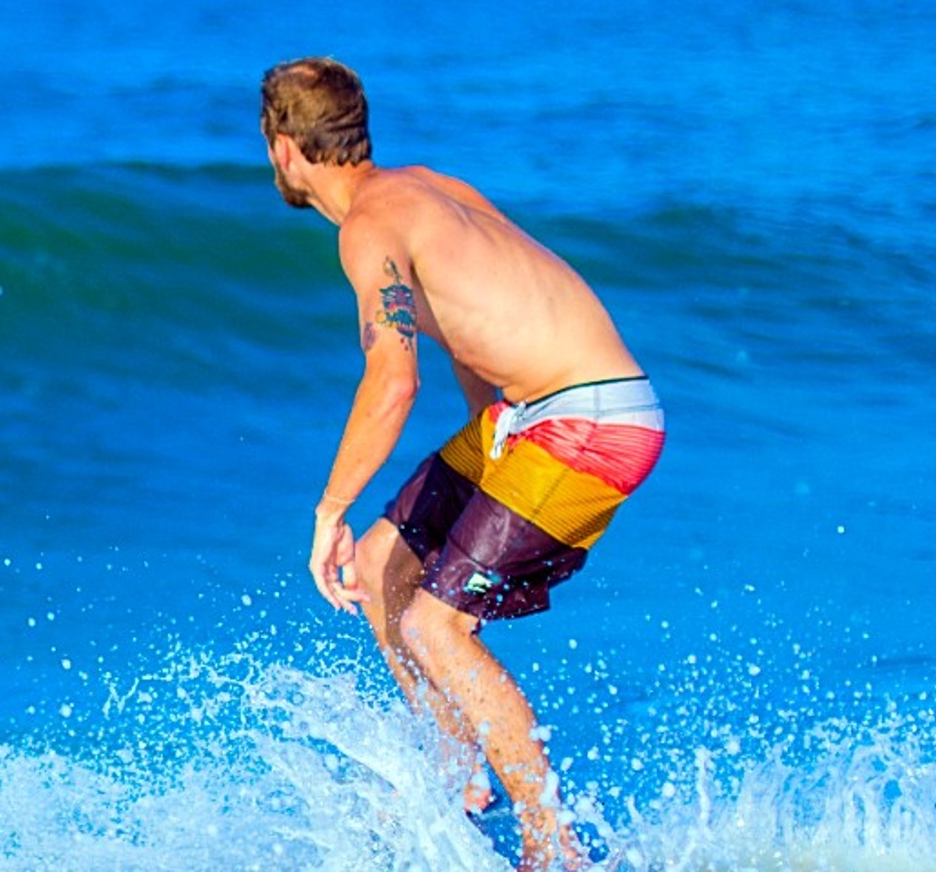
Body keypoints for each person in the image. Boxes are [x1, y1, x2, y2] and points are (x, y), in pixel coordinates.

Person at [259, 57, 665, 871]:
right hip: (532, 413)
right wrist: (483, 465)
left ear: (284, 148)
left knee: (435, 627)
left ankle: (554, 848)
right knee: (382, 569)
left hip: (589, 419)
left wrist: (328, 511)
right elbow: (495, 321)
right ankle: (454, 763)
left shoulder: (368, 230)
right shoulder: (431, 188)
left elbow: (393, 377)